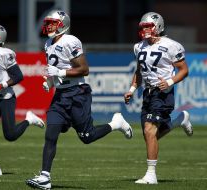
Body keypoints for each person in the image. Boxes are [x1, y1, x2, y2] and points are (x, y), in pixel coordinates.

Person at [25, 10, 133, 189]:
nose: (49, 26)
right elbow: (56, 70)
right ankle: (45, 177)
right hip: (60, 96)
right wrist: (50, 82)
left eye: (53, 23)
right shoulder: (47, 44)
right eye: (48, 22)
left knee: (87, 137)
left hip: (77, 93)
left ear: (63, 24)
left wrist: (59, 73)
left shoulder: (71, 41)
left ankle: (116, 124)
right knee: (50, 134)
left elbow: (84, 69)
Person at [124, 12, 193, 184]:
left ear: (158, 26)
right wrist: (132, 89)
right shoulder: (138, 47)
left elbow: (184, 70)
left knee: (149, 131)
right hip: (147, 93)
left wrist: (169, 81)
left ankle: (151, 174)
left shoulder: (171, 45)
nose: (145, 30)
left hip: (162, 92)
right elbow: (139, 72)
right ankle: (179, 120)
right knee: (150, 135)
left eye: (149, 27)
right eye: (143, 27)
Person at [0, 24, 45, 176]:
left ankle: (29, 120)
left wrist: (2, 86)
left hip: (6, 98)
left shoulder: (5, 53)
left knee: (10, 135)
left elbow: (18, 76)